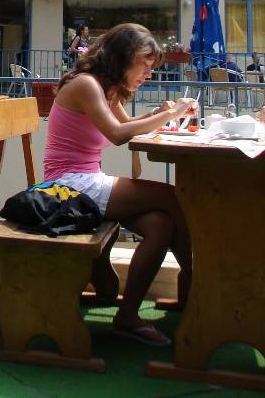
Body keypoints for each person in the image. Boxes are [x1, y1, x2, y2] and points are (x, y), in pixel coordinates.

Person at [45, 22, 197, 347]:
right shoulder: (86, 84)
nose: (149, 74)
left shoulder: (106, 88)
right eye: (145, 64)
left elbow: (127, 124)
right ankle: (200, 284)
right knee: (172, 197)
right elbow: (117, 135)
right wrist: (169, 116)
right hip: (67, 187)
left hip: (86, 181)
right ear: (124, 57)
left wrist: (158, 112)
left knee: (160, 225)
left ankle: (127, 317)